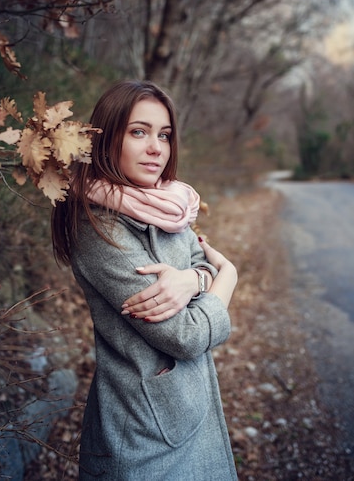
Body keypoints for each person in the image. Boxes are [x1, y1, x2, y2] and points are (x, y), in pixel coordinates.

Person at [51, 80, 238, 480]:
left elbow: (198, 261)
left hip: (186, 408)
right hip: (144, 431)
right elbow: (185, 336)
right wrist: (228, 277)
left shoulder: (165, 204)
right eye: (139, 132)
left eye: (164, 135)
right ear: (106, 140)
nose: (156, 148)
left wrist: (194, 281)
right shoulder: (98, 227)